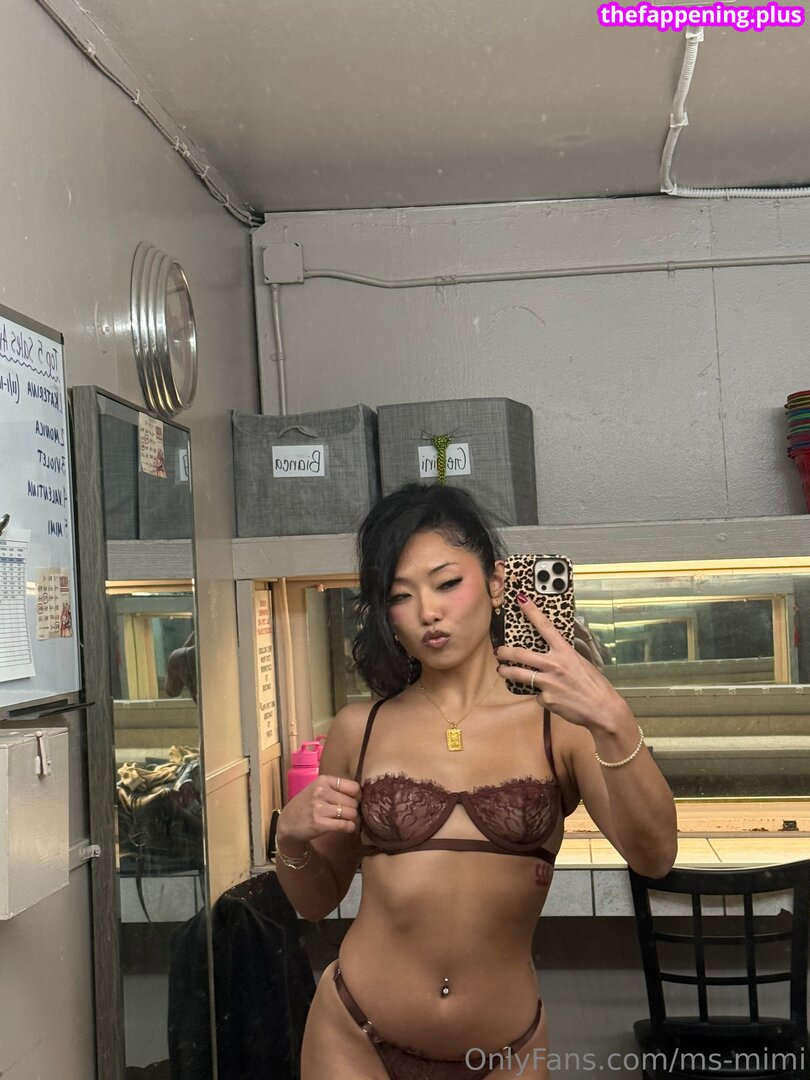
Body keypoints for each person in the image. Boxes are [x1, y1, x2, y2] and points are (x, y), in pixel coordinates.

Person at [275, 483, 677, 1079]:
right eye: (400, 595)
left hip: (506, 1053)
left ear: (495, 584)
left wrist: (614, 720)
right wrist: (289, 837)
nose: (427, 612)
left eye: (446, 583)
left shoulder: (560, 725)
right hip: (353, 1036)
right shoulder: (360, 728)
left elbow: (655, 857)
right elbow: (315, 902)